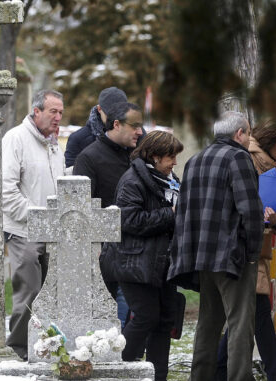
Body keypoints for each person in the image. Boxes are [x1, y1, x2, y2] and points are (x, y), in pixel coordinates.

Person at [168, 111, 264, 381]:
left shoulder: (195, 160)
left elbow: (184, 210)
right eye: (248, 133)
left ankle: (199, 377)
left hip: (200, 254)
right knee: (240, 323)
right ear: (239, 134)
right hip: (232, 255)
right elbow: (250, 211)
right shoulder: (238, 158)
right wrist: (253, 253)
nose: (249, 140)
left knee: (208, 324)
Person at [216, 118, 276, 381]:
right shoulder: (249, 160)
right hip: (247, 250)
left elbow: (273, 211)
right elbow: (241, 207)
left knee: (248, 318)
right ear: (270, 141)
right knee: (256, 315)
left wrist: (272, 219)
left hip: (256, 250)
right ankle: (275, 373)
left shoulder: (266, 163)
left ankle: (219, 369)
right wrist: (264, 218)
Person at [114, 131, 184, 381]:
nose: (174, 162)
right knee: (145, 317)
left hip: (163, 264)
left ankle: (158, 376)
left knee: (165, 320)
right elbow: (129, 220)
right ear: (154, 156)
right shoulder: (133, 180)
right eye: (170, 157)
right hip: (136, 263)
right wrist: (172, 214)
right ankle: (122, 368)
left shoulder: (170, 180)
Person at [2, 89, 65, 361]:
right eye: (53, 111)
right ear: (36, 111)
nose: (58, 117)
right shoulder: (16, 138)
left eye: (61, 112)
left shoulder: (54, 144)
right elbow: (7, 190)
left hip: (53, 231)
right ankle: (19, 348)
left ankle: (47, 346)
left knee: (53, 292)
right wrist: (39, 215)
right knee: (28, 290)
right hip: (23, 230)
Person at [73, 101, 144, 329]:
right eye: (135, 126)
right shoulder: (89, 158)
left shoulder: (136, 155)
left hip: (137, 247)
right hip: (106, 254)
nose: (140, 132)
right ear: (116, 124)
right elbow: (80, 210)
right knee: (113, 317)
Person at [64, 87, 127, 168]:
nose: (114, 118)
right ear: (99, 109)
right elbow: (72, 176)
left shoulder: (134, 135)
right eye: (110, 114)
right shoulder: (78, 139)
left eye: (118, 114)